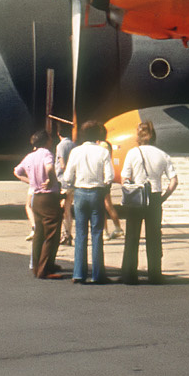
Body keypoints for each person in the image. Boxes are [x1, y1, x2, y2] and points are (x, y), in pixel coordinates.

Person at [120, 121, 177, 284]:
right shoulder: (162, 154)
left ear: (138, 136)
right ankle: (155, 275)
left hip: (136, 196)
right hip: (155, 196)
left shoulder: (132, 153)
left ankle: (129, 275)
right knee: (154, 237)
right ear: (154, 136)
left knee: (132, 237)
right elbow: (174, 181)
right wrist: (163, 197)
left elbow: (125, 178)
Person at [62, 120, 117, 283]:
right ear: (97, 135)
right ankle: (98, 274)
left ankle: (78, 273)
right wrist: (104, 187)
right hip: (96, 193)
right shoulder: (102, 152)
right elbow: (110, 176)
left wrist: (73, 184)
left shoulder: (76, 151)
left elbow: (67, 176)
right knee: (97, 233)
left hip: (79, 192)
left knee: (80, 234)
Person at [14, 131, 64, 278]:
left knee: (39, 234)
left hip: (36, 196)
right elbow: (49, 168)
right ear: (46, 141)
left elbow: (17, 171)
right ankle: (44, 269)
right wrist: (51, 179)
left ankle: (38, 265)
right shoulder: (47, 154)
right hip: (49, 197)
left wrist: (30, 181)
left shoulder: (29, 156)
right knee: (52, 234)